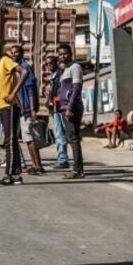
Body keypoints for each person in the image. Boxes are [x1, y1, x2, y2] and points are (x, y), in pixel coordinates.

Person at [0, 40, 28, 187]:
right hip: (3, 107)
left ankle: (9, 175)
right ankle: (16, 174)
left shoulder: (5, 60)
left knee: (9, 141)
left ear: (0, 51)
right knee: (13, 141)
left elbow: (24, 72)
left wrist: (13, 93)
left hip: (10, 107)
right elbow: (2, 87)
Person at [11, 45, 45, 175]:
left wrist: (32, 109)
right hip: (23, 109)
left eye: (16, 52)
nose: (14, 54)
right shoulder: (17, 68)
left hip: (27, 109)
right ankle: (35, 164)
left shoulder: (25, 67)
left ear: (22, 53)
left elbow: (31, 89)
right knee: (27, 139)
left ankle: (38, 166)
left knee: (31, 138)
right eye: (12, 53)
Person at [57, 43, 85, 180]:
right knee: (71, 138)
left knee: (74, 139)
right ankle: (77, 169)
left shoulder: (75, 67)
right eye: (60, 54)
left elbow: (77, 89)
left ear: (71, 53)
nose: (63, 56)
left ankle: (77, 170)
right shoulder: (65, 69)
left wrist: (69, 107)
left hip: (72, 108)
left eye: (65, 53)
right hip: (65, 108)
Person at [46, 54, 69, 170]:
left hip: (58, 108)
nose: (49, 65)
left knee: (60, 134)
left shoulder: (60, 74)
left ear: (56, 63)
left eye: (51, 63)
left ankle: (63, 159)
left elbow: (61, 92)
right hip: (53, 108)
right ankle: (61, 158)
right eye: (47, 64)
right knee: (58, 134)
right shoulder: (53, 76)